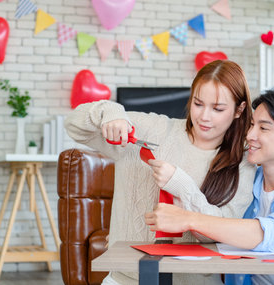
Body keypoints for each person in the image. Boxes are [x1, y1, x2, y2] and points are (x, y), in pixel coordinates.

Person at [65, 60, 256, 285]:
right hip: (125, 279)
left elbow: (221, 234)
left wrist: (182, 185)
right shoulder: (153, 129)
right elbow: (74, 126)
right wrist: (110, 111)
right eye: (198, 103)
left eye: (218, 109)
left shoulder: (243, 162)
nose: (204, 116)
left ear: (239, 110)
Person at [145, 88, 274, 285]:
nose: (249, 135)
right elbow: (214, 222)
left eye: (263, 128)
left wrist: (188, 219)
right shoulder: (245, 180)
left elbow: (269, 234)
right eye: (251, 125)